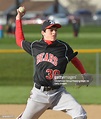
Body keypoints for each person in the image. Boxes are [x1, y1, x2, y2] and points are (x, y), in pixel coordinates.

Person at [15, 7, 91, 119]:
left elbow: (74, 59)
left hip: (58, 93)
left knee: (80, 114)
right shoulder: (36, 46)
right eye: (51, 30)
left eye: (55, 29)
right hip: (39, 94)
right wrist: (18, 19)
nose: (54, 32)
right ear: (43, 32)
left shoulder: (63, 47)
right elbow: (19, 40)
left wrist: (84, 73)